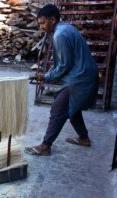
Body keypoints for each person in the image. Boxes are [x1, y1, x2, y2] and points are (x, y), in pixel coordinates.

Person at [25, 4, 98, 155]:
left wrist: (46, 76)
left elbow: (64, 65)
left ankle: (45, 146)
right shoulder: (64, 28)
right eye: (40, 24)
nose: (42, 27)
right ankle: (84, 138)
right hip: (85, 74)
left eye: (43, 23)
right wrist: (49, 74)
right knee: (72, 108)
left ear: (53, 19)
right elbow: (62, 63)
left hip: (80, 78)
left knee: (58, 109)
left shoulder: (60, 35)